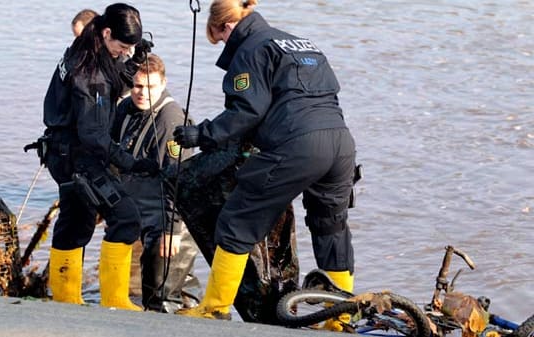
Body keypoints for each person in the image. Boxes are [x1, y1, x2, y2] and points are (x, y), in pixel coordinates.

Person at [173, 0, 357, 323]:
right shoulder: (301, 43)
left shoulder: (250, 49)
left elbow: (246, 112)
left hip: (299, 145)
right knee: (331, 228)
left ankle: (214, 308)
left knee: (236, 221)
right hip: (341, 143)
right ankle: (339, 319)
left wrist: (200, 135)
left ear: (227, 27)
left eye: (218, 39)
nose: (222, 45)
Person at [43, 3, 158, 311]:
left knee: (75, 223)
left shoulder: (89, 43)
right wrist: (130, 162)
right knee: (125, 216)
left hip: (64, 149)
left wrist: (133, 63)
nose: (125, 53)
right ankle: (115, 301)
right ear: (107, 33)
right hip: (76, 155)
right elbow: (94, 134)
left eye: (130, 48)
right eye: (122, 47)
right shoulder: (89, 70)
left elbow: (113, 81)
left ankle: (66, 302)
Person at [113, 53, 199, 313]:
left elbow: (177, 179)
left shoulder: (170, 119)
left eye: (150, 87)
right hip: (141, 207)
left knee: (162, 299)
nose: (142, 93)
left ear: (163, 84)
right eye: (138, 86)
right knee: (174, 290)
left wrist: (171, 230)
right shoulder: (126, 109)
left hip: (171, 215)